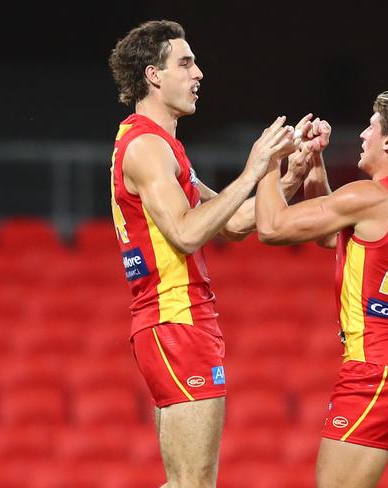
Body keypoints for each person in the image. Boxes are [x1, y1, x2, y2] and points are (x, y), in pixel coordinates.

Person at [108, 20, 308, 488]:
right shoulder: (147, 148)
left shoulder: (162, 146)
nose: (199, 73)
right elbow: (185, 234)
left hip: (180, 321)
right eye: (185, 62)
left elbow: (233, 222)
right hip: (175, 318)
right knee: (193, 484)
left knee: (184, 483)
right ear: (153, 75)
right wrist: (253, 169)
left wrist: (286, 177)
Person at [255, 89, 388, 488]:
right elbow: (335, 237)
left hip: (378, 369)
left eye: (371, 126)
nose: (363, 135)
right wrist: (314, 161)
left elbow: (272, 228)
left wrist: (268, 162)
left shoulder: (370, 196)